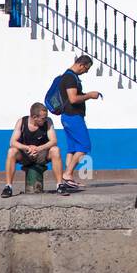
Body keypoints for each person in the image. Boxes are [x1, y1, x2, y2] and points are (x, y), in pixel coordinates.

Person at [2, 103, 67, 197]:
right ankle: (8, 187)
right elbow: (12, 142)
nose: (45, 120)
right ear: (34, 117)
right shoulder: (22, 122)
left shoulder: (48, 122)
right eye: (43, 118)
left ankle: (60, 185)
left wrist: (39, 148)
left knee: (55, 150)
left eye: (46, 117)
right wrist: (28, 148)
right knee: (11, 151)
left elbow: (53, 141)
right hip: (25, 154)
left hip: (42, 154)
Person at [57, 55, 102, 192]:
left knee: (73, 148)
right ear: (81, 65)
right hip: (72, 116)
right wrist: (89, 95)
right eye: (87, 68)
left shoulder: (68, 76)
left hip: (68, 116)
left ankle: (68, 179)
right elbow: (73, 98)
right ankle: (68, 173)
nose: (86, 72)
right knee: (84, 145)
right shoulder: (70, 78)